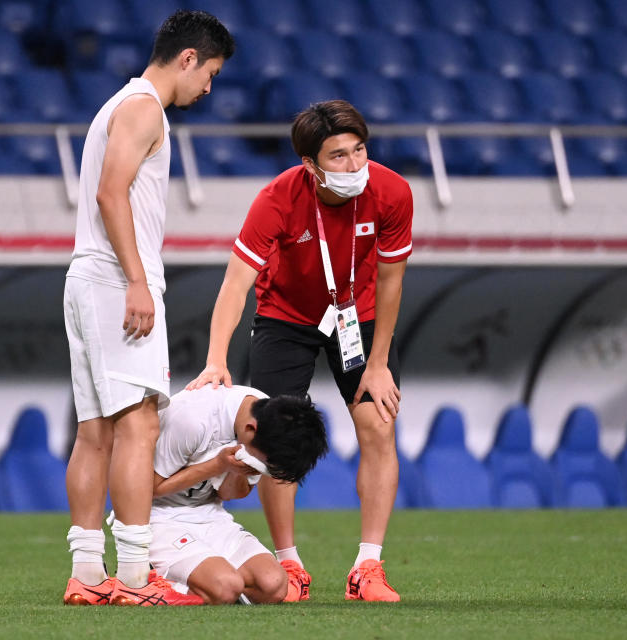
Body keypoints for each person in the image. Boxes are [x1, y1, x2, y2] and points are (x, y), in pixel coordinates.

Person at [188, 100, 412, 602]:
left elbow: (394, 281)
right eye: (339, 156)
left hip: (361, 314)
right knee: (274, 439)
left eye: (360, 151)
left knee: (379, 423)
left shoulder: (393, 191)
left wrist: (378, 364)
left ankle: (368, 569)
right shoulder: (276, 199)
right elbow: (234, 285)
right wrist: (216, 359)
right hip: (285, 317)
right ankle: (289, 565)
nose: (355, 165)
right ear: (310, 164)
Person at [62, 10, 234, 606]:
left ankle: (86, 575)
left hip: (88, 276)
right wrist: (138, 280)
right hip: (115, 279)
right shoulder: (143, 109)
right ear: (188, 58)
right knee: (140, 425)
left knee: (95, 433)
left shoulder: (117, 105)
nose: (208, 87)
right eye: (209, 72)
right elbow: (114, 193)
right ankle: (136, 575)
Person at [148, 385, 328, 605]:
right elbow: (148, 489)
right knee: (225, 587)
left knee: (274, 585)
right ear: (250, 429)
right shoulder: (192, 418)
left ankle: (199, 581)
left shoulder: (268, 418)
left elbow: (231, 493)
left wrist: (235, 471)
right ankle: (149, 577)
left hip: (211, 514)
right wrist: (217, 465)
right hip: (158, 517)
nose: (260, 470)